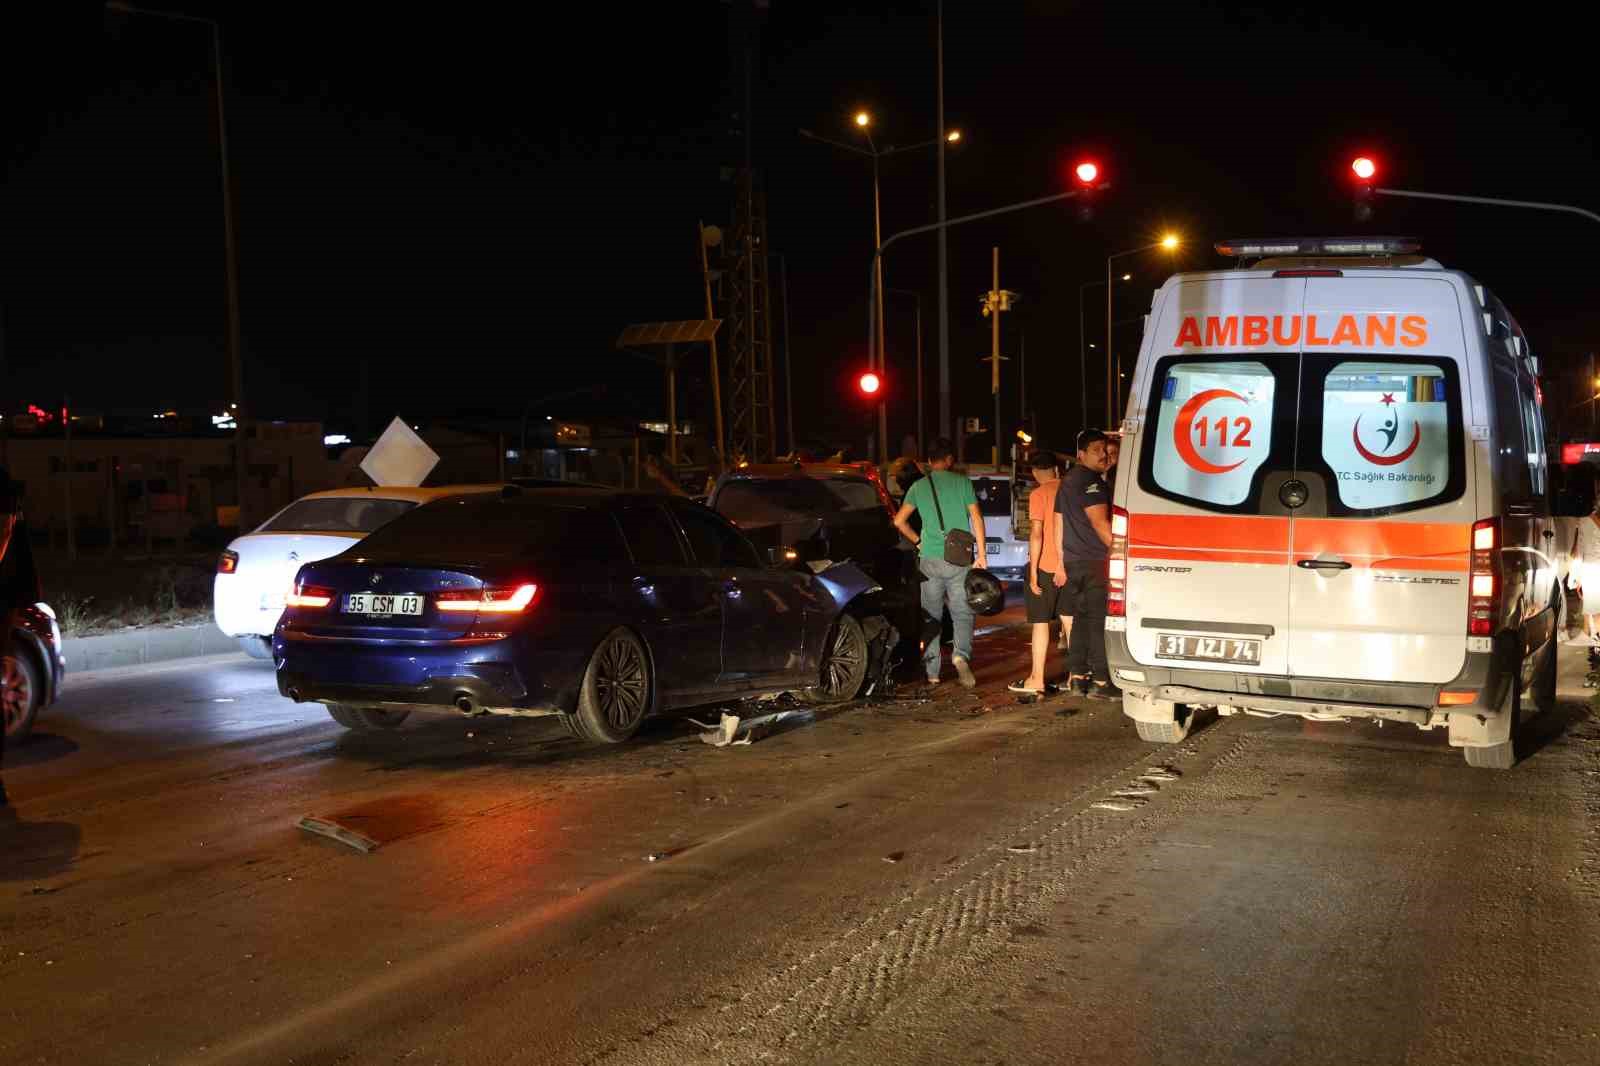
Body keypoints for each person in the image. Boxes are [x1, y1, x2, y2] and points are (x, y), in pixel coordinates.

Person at [893, 438, 987, 687]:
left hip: (930, 559)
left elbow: (898, 521)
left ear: (928, 462)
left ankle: (933, 673)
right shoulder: (962, 483)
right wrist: (982, 554)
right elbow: (976, 518)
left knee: (930, 617)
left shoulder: (918, 487)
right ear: (949, 459)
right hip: (958, 558)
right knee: (962, 613)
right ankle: (960, 656)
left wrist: (918, 542)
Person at [1056, 430, 1118, 699]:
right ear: (1081, 454)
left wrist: (1061, 560)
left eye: (1105, 449)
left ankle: (1078, 677)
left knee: (1081, 620)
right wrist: (1121, 553)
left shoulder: (1068, 480)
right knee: (1098, 621)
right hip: (1095, 560)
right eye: (1097, 449)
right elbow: (1100, 522)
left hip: (1073, 560)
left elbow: (1058, 522)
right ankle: (1102, 681)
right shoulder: (1091, 481)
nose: (1103, 454)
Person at [1010, 451, 1072, 697]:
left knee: (1040, 622)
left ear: (1035, 473)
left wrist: (1033, 571)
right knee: (1070, 621)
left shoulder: (1038, 494)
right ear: (1057, 470)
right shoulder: (1071, 492)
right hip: (1071, 565)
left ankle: (1037, 679)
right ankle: (1076, 676)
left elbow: (1037, 533)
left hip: (1045, 565)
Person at [1571, 500, 1600, 661]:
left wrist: (1577, 577)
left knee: (1595, 609)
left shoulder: (1584, 522)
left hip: (1591, 571)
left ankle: (1596, 648)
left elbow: (1579, 552)